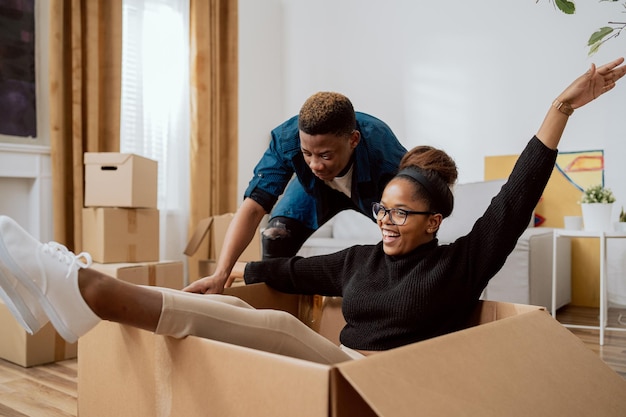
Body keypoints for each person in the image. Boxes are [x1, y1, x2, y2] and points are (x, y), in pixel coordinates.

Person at [0, 58, 625, 365]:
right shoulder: (355, 261)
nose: (385, 220)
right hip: (331, 369)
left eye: (401, 214)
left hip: (381, 377)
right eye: (382, 209)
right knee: (239, 304)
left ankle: (84, 289)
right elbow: (282, 273)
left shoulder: (461, 265)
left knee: (279, 333)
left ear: (434, 222)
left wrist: (561, 109)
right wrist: (227, 278)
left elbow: (515, 198)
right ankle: (85, 290)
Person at [193, 92, 406, 293]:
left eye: (325, 155)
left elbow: (418, 215)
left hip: (372, 190)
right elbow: (253, 207)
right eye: (307, 153)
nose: (315, 165)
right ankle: (280, 313)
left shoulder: (385, 155)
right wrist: (221, 274)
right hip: (314, 190)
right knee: (276, 235)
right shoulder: (287, 140)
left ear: (353, 140)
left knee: (401, 245)